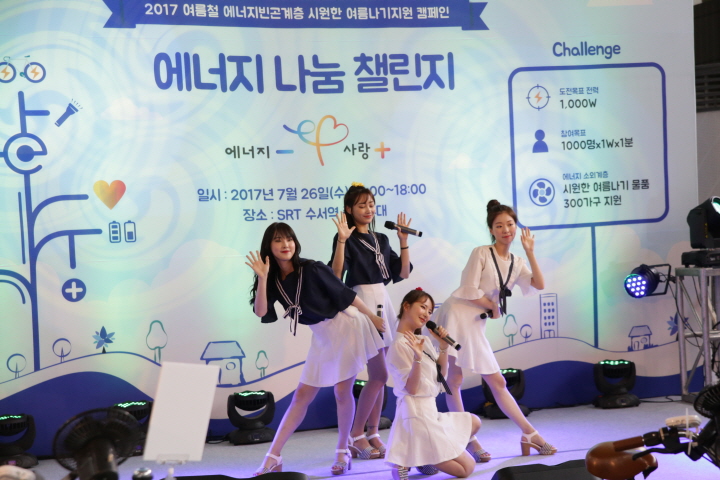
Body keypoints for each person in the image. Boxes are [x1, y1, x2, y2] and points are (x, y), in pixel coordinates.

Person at [246, 222, 386, 476]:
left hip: (347, 325)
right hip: (321, 335)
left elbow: (345, 294)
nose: (285, 244)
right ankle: (273, 458)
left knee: (342, 391)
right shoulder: (272, 278)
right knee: (301, 396)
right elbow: (261, 311)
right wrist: (263, 278)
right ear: (269, 246)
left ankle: (343, 451)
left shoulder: (311, 268)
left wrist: (372, 317)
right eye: (278, 240)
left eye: (289, 239)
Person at [432, 200, 556, 458]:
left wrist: (530, 252)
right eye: (499, 226)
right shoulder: (481, 252)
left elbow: (539, 284)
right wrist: (492, 306)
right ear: (491, 230)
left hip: (476, 322)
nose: (505, 230)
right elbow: (468, 289)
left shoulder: (516, 261)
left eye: (509, 224)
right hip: (457, 315)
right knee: (454, 379)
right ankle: (469, 439)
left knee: (495, 381)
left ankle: (528, 434)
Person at [329, 183, 412, 459]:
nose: (368, 209)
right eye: (361, 205)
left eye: (371, 204)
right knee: (379, 375)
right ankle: (356, 434)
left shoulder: (382, 238)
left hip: (382, 300)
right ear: (349, 209)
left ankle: (373, 432)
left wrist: (403, 241)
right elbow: (336, 275)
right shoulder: (346, 237)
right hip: (362, 302)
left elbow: (403, 273)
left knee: (380, 375)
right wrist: (342, 241)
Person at [385, 288, 482, 480]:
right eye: (422, 307)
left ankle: (420, 454)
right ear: (406, 306)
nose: (426, 314)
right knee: (467, 468)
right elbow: (411, 389)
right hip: (416, 414)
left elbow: (441, 376)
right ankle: (413, 456)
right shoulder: (398, 345)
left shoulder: (423, 340)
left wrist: (443, 347)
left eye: (430, 311)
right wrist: (417, 359)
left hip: (431, 412)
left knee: (474, 422)